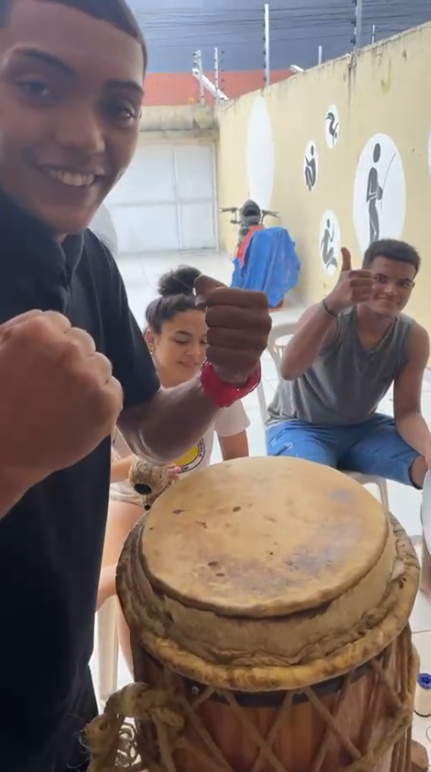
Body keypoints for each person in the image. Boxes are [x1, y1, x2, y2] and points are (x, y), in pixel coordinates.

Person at [0, 2, 271, 771]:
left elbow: (146, 423)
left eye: (118, 107)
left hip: (56, 686)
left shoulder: (86, 257)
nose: (86, 137)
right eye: (39, 86)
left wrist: (219, 380)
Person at [98, 265, 250, 668]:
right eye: (182, 340)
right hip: (129, 499)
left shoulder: (213, 386)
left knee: (227, 579)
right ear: (151, 338)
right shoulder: (118, 390)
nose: (195, 353)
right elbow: (90, 474)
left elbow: (238, 462)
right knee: (132, 585)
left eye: (204, 342)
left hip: (196, 497)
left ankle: (215, 676)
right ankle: (144, 686)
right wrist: (135, 465)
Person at [266, 240, 430, 490]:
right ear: (363, 276)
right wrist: (332, 305)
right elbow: (289, 370)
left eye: (403, 283)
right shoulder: (332, 318)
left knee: (426, 469)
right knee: (312, 490)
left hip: (362, 428)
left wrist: (428, 448)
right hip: (300, 426)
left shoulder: (413, 337)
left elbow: (408, 412)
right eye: (381, 279)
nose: (391, 290)